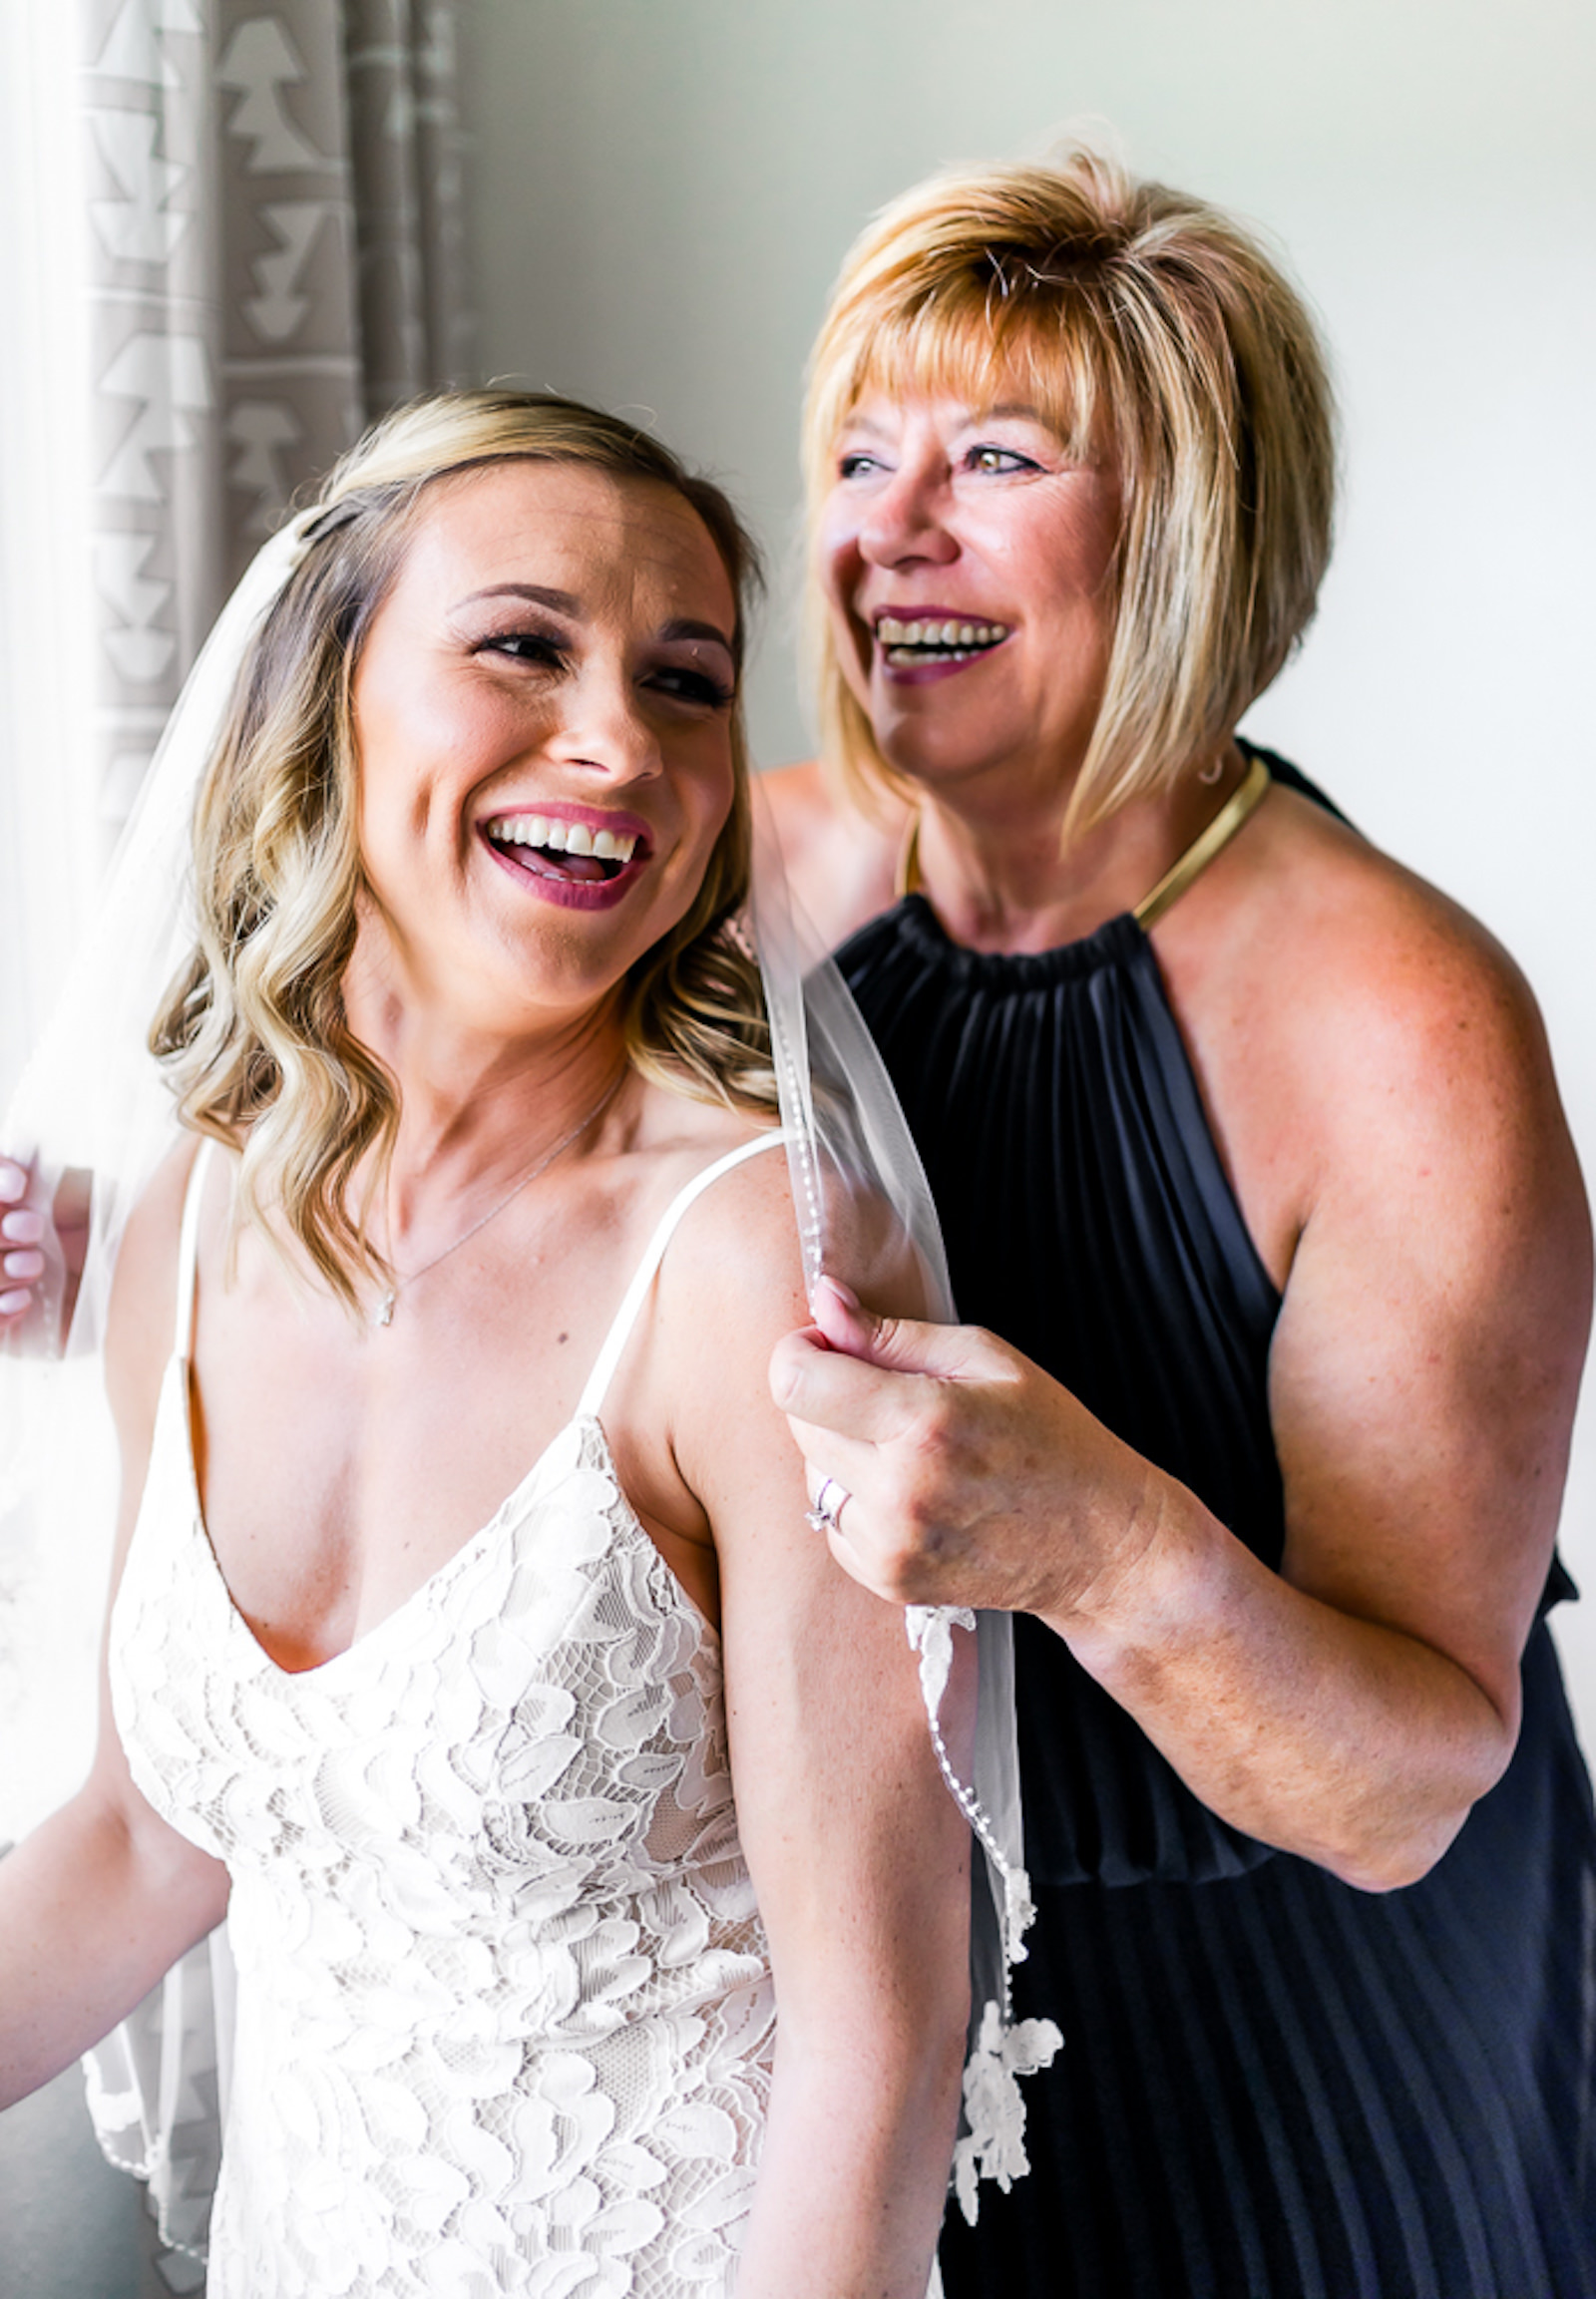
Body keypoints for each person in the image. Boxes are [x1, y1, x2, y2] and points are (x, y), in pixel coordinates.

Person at [0, 390, 971, 2298]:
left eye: (689, 681)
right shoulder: (198, 1213)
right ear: (327, 690)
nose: (620, 740)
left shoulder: (752, 1274)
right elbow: (143, 1840)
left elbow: (878, 2028)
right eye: (524, 644)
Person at [763, 152, 1596, 2296]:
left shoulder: (1396, 1018)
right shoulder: (755, 882)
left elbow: (1407, 1775)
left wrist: (1101, 1544)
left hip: (1306, 2075)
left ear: (1187, 524)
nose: (885, 529)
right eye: (859, 454)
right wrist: (104, 1254)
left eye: (995, 458)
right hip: (886, 2060)